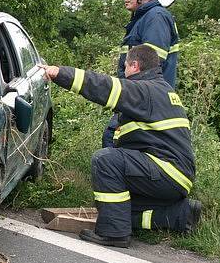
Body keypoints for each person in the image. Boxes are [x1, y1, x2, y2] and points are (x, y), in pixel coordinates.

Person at [40, 45, 201, 248]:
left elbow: (104, 87)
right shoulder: (162, 89)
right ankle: (181, 215)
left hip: (166, 171)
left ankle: (114, 233)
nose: (123, 71)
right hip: (174, 175)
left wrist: (61, 73)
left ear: (134, 65)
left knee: (105, 160)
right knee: (117, 208)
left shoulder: (145, 90)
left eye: (125, 66)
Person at [102, 0, 179, 148]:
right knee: (117, 142)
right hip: (139, 98)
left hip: (146, 100)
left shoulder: (156, 17)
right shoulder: (144, 18)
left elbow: (149, 66)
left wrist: (128, 96)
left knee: (113, 140)